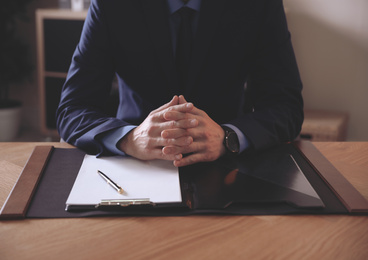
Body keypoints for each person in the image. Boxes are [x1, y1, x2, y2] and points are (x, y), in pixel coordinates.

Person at [56, 0, 304, 167]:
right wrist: (128, 138)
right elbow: (73, 109)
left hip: (227, 162)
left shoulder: (259, 5)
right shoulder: (111, 5)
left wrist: (229, 137)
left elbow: (285, 106)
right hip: (134, 163)